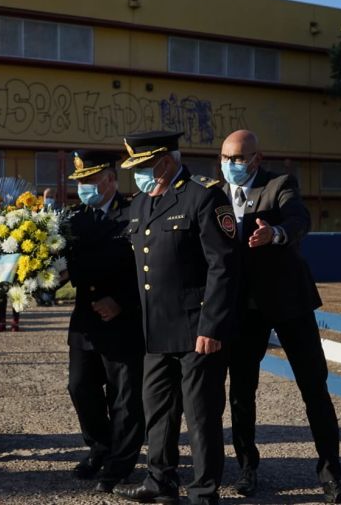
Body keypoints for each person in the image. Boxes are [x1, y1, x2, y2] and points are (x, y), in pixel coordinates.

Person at [220, 130, 341, 503]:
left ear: (256, 159)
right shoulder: (216, 195)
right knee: (242, 391)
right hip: (243, 309)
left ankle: (331, 475)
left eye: (238, 158)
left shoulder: (280, 184)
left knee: (314, 386)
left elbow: (298, 220)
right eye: (225, 158)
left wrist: (275, 233)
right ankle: (248, 467)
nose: (231, 165)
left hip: (288, 302)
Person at [114, 131, 240, 505]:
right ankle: (160, 482)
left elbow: (224, 265)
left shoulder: (203, 196)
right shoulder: (139, 205)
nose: (137, 175)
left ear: (165, 162)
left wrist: (212, 326)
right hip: (156, 331)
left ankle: (203, 492)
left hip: (196, 330)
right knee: (157, 412)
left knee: (200, 417)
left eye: (143, 167)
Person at [61, 150, 145, 493]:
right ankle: (101, 446)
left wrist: (122, 302)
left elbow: (149, 268)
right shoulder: (74, 218)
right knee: (80, 386)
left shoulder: (135, 213)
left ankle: (120, 463)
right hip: (86, 321)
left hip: (123, 321)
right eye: (79, 182)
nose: (83, 187)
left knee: (125, 398)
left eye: (89, 181)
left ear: (110, 179)